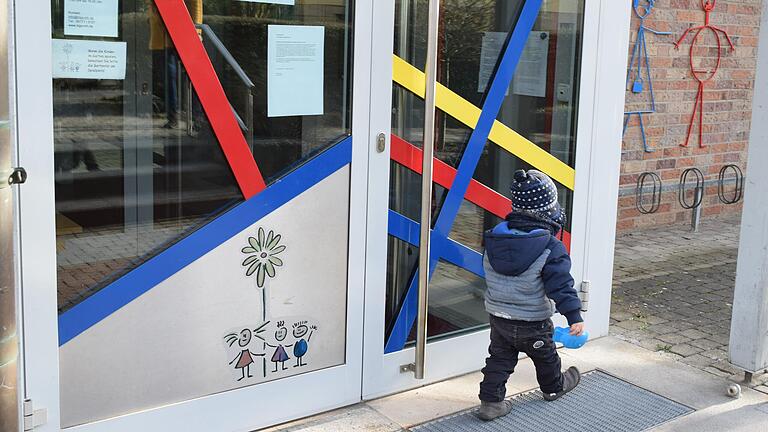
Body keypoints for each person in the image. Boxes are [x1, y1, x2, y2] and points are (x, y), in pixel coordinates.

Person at [477, 169, 585, 421]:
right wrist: (574, 316)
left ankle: (490, 403)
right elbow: (561, 285)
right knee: (546, 356)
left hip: (500, 317)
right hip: (532, 323)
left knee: (499, 359)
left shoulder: (494, 239)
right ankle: (553, 388)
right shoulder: (550, 247)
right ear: (550, 212)